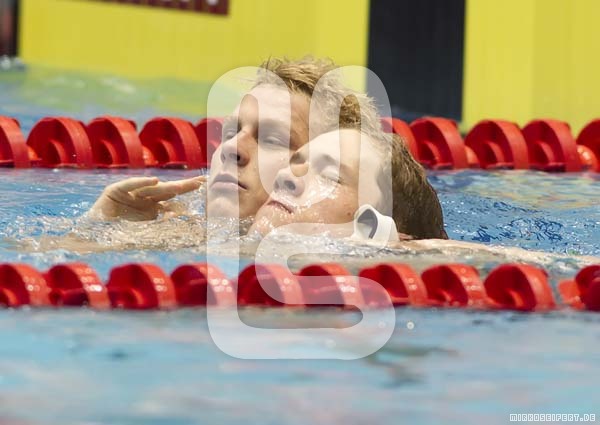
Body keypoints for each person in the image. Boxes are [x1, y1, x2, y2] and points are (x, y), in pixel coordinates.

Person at [89, 56, 448, 240]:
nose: (232, 148)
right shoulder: (172, 235)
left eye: (273, 139)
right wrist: (103, 225)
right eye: (231, 131)